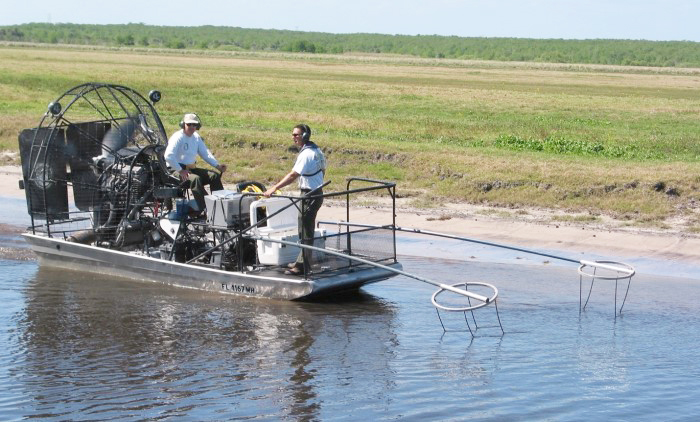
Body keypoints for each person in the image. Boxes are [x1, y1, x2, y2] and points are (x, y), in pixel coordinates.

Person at [264, 124, 326, 276]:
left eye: (296, 135)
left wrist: (274, 188)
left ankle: (302, 266)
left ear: (304, 136)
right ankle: (302, 260)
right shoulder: (317, 150)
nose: (293, 137)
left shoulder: (306, 155)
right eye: (293, 134)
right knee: (305, 228)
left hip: (310, 195)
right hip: (315, 193)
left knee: (305, 230)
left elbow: (293, 175)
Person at [164, 113, 227, 214]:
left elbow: (205, 153)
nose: (192, 127)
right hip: (175, 170)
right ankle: (206, 209)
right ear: (183, 124)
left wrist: (217, 166)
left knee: (214, 176)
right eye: (189, 125)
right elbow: (168, 156)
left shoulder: (196, 137)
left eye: (194, 125)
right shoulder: (177, 137)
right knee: (195, 179)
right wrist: (180, 171)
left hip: (190, 169)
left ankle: (220, 205)